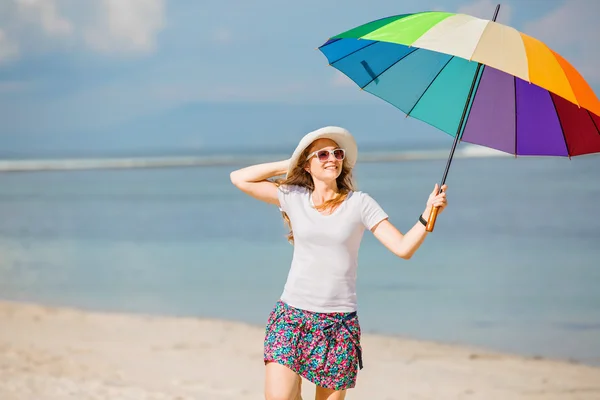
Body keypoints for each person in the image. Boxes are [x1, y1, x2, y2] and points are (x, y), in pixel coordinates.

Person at [229, 126, 448, 400]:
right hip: (291, 317)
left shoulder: (360, 204)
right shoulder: (293, 197)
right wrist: (291, 162)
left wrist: (427, 214)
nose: (332, 158)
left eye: (337, 153)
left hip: (338, 324)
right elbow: (239, 178)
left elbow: (403, 248)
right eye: (321, 154)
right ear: (307, 165)